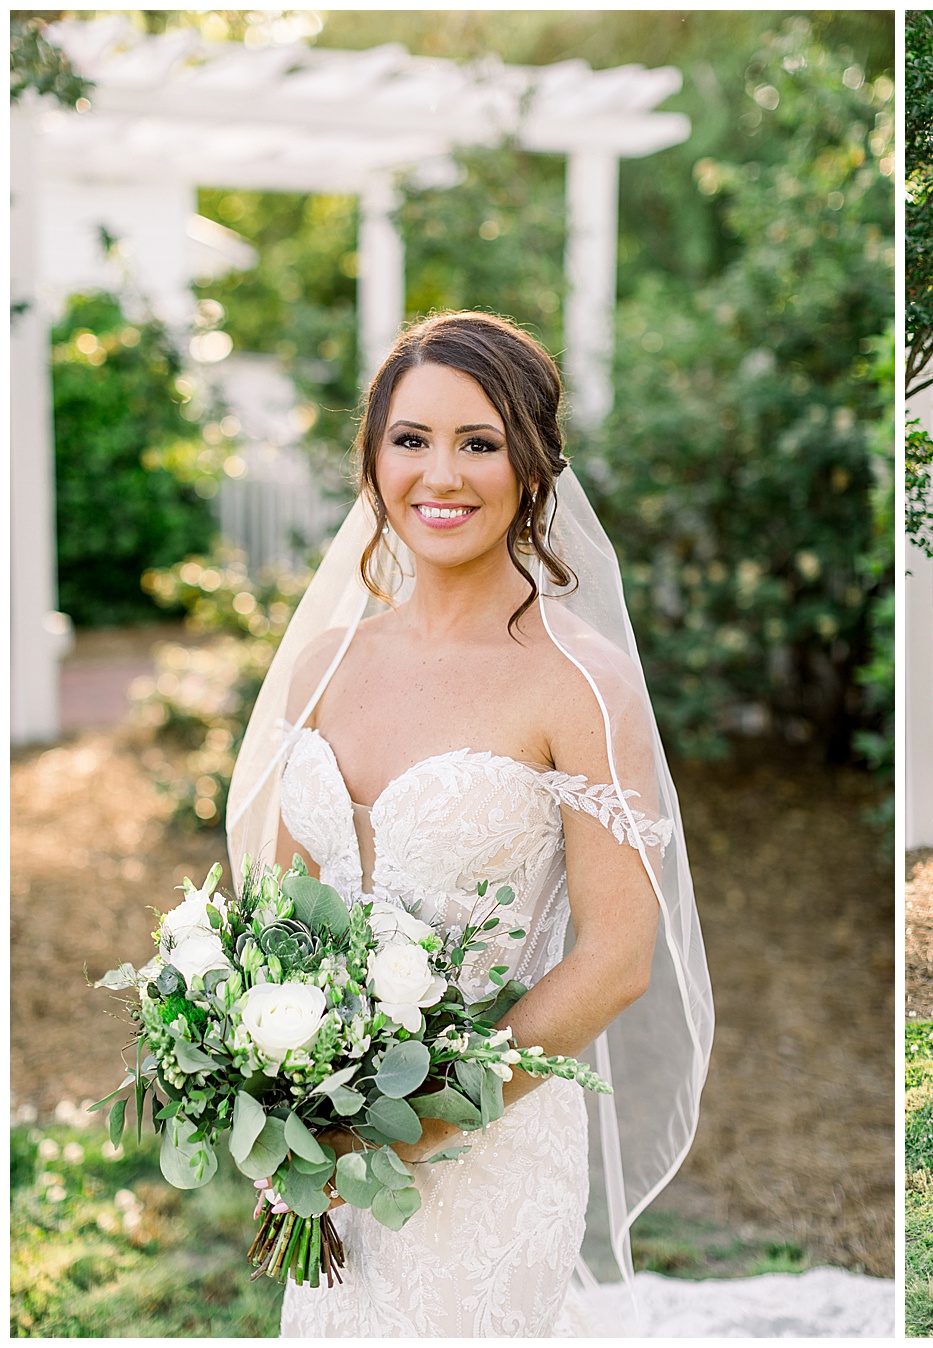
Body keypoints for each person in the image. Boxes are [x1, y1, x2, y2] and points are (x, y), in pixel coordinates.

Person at [225, 312, 712, 1334]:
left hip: (491, 1145)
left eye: (478, 443)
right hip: (327, 1146)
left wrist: (417, 1120)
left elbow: (619, 957)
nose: (440, 476)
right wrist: (289, 1097)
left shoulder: (580, 682)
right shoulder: (322, 665)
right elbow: (274, 918)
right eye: (411, 439)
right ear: (372, 459)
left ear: (532, 466)